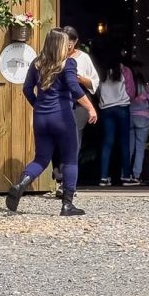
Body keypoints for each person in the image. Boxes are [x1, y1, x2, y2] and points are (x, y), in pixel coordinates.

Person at [5, 28, 97, 216]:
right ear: (61, 44)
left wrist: (38, 105)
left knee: (41, 159)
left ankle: (21, 183)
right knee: (70, 159)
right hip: (62, 117)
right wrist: (90, 107)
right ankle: (67, 205)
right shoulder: (68, 63)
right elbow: (73, 86)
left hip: (41, 118)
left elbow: (27, 89)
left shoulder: (37, 63)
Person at [49, 26, 99, 197]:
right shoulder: (55, 56)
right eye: (66, 40)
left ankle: (67, 184)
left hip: (79, 104)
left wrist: (80, 79)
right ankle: (59, 178)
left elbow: (94, 82)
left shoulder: (83, 58)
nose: (69, 44)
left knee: (74, 141)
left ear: (76, 41)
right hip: (58, 103)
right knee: (56, 141)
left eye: (72, 40)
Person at [98, 46, 137, 186]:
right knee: (124, 143)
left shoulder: (101, 72)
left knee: (107, 143)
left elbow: (96, 90)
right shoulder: (124, 70)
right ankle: (126, 176)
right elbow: (131, 91)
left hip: (106, 109)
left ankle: (103, 177)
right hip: (122, 108)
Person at [129, 69, 149, 183]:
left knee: (129, 147)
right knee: (140, 148)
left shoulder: (128, 87)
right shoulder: (145, 87)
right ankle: (136, 175)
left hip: (130, 116)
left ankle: (125, 173)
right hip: (143, 118)